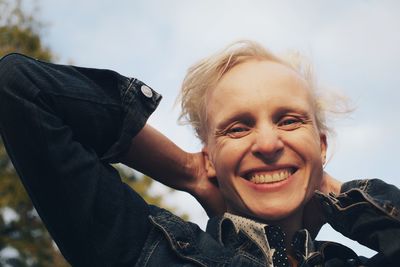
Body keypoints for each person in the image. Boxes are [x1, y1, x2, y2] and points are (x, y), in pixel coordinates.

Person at [0, 41, 399, 267]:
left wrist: (325, 183)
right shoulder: (146, 252)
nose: (267, 143)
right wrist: (189, 171)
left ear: (322, 145)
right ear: (210, 158)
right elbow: (22, 88)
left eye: (290, 121)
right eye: (238, 128)